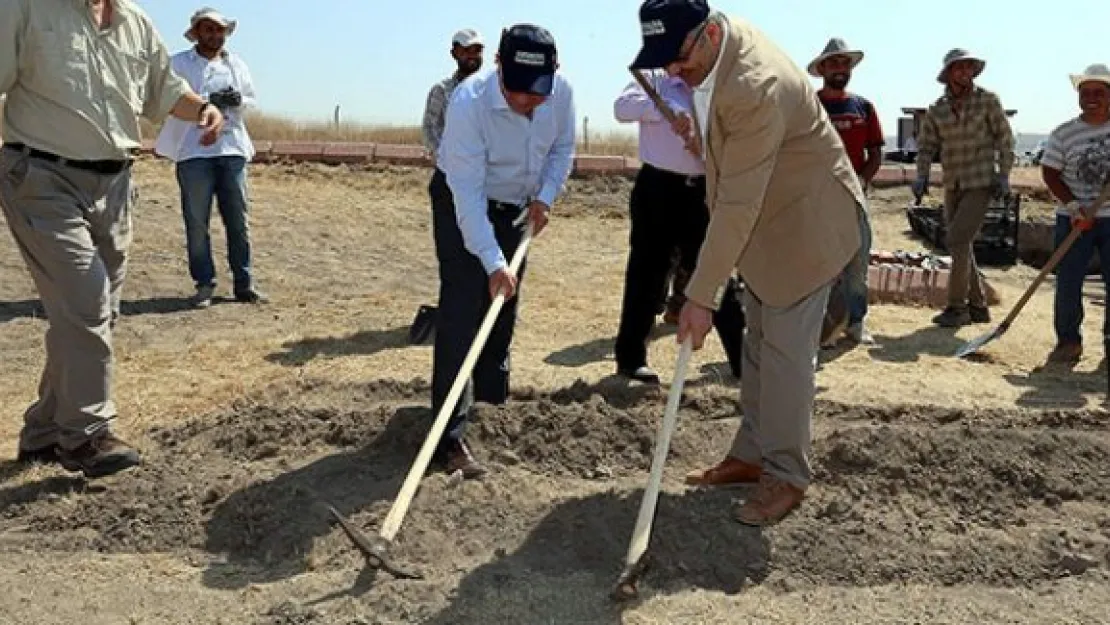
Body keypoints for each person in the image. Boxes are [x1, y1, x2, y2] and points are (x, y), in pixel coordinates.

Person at [630, 0, 865, 526]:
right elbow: (731, 161)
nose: (672, 70)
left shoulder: (755, 85)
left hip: (805, 226)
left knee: (784, 355)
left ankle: (786, 475)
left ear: (709, 32)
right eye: (662, 59)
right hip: (767, 218)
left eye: (678, 56)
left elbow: (738, 202)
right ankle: (752, 453)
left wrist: (699, 295)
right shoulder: (718, 51)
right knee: (759, 342)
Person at [0, 0, 224, 477]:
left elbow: (165, 93)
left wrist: (203, 109)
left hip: (116, 184)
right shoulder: (24, 8)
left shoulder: (136, 23)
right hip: (40, 177)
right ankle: (86, 435)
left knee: (91, 313)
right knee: (86, 301)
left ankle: (43, 433)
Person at [431, 24, 575, 477]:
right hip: (464, 204)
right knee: (462, 309)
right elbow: (467, 197)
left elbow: (563, 148)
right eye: (515, 90)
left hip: (518, 208)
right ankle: (447, 438)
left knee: (504, 308)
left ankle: (492, 408)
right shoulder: (469, 104)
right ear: (497, 65)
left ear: (555, 72)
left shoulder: (562, 93)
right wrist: (493, 261)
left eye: (536, 92)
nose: (525, 102)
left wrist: (546, 197)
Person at [612, 67, 744, 383]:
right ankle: (631, 360)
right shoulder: (652, 78)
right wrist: (665, 110)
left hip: (701, 191)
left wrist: (701, 133)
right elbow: (622, 109)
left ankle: (744, 361)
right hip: (657, 189)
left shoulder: (713, 83)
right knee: (647, 274)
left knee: (715, 274)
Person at [154, 7, 265, 309]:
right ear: (197, 32)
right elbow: (167, 99)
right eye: (209, 30)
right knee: (196, 221)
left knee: (238, 220)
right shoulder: (178, 64)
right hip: (193, 152)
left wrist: (237, 101)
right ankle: (204, 283)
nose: (215, 35)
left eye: (219, 30)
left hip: (232, 150)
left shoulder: (236, 65)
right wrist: (202, 105)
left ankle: (244, 283)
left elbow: (251, 100)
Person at [912, 48, 1015, 328]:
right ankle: (978, 306)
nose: (966, 73)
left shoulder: (988, 101)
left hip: (980, 181)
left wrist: (1004, 174)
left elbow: (1005, 139)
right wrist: (921, 176)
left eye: (970, 68)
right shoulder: (937, 110)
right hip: (952, 182)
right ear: (949, 74)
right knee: (962, 244)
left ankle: (957, 308)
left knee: (956, 240)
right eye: (960, 68)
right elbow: (926, 146)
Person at [409, 28, 487, 345]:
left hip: (485, 182)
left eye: (477, 50)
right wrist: (450, 162)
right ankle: (452, 313)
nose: (473, 56)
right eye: (467, 50)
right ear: (454, 53)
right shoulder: (442, 91)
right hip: (448, 181)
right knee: (451, 250)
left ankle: (479, 312)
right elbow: (430, 130)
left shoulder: (492, 91)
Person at [809, 37, 884, 345]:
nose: (840, 69)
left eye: (844, 63)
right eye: (834, 63)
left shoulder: (863, 107)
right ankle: (819, 325)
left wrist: (861, 182)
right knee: (819, 263)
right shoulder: (810, 105)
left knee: (857, 261)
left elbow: (875, 153)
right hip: (817, 197)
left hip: (855, 196)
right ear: (823, 68)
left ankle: (855, 323)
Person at [1040, 63, 1110, 364]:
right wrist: (1073, 207)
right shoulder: (1064, 134)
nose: (1091, 98)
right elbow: (1050, 173)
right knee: (1068, 282)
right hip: (1074, 219)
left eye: (1099, 92)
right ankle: (1068, 341)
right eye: (1086, 92)